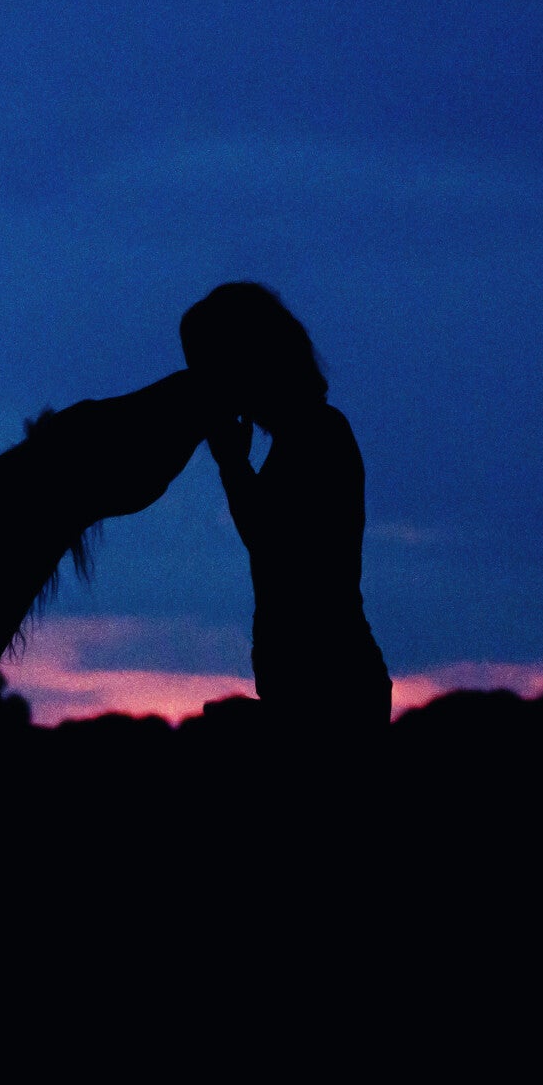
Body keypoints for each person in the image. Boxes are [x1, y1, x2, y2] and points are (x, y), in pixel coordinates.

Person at [181, 282, 391, 751]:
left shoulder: (318, 436)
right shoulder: (311, 435)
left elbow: (271, 543)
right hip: (321, 678)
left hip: (326, 685)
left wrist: (233, 465)